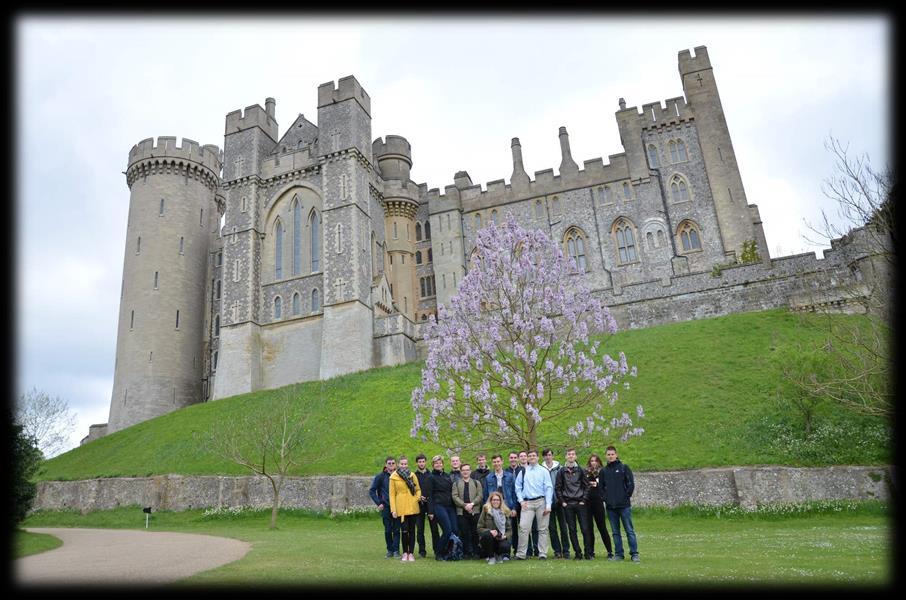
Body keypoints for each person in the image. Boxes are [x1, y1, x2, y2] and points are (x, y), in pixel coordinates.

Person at [601, 445, 639, 562]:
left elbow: (630, 485)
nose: (611, 456)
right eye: (608, 454)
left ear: (616, 455)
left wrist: (625, 497)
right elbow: (601, 488)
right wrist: (606, 499)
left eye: (612, 454)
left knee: (629, 531)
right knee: (615, 533)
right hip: (611, 507)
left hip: (624, 506)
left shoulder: (624, 468)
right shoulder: (603, 471)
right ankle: (618, 554)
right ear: (606, 456)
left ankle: (634, 554)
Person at [513, 449, 553, 560]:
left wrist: (548, 505)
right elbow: (518, 488)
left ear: (538, 457)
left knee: (543, 529)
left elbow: (548, 488)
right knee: (523, 528)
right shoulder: (523, 472)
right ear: (527, 458)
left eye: (533, 455)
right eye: (529, 456)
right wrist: (521, 501)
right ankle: (521, 554)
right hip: (527, 503)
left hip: (541, 502)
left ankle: (542, 553)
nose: (531, 457)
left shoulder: (544, 471)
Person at [556, 448, 592, 560]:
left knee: (585, 529)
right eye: (568, 454)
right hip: (568, 505)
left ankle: (587, 553)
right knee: (572, 530)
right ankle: (578, 553)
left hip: (580, 504)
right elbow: (558, 488)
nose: (571, 456)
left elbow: (587, 486)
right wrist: (563, 502)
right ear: (566, 457)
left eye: (573, 454)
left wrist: (584, 500)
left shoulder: (581, 470)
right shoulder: (561, 471)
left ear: (575, 456)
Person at [389, 455, 422, 562]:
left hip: (412, 506)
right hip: (401, 507)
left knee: (412, 530)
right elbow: (392, 494)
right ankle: (404, 553)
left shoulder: (412, 475)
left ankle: (411, 553)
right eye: (402, 464)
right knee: (404, 531)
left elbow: (418, 489)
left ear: (407, 464)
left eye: (405, 464)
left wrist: (416, 498)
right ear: (398, 464)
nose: (404, 466)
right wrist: (393, 509)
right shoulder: (393, 477)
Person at [427, 455, 459, 560]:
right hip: (438, 506)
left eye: (440, 463)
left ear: (443, 464)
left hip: (450, 507)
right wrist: (430, 511)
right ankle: (439, 552)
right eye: (436, 463)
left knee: (455, 529)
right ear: (433, 465)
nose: (438, 464)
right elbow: (430, 496)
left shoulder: (447, 476)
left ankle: (450, 552)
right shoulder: (431, 477)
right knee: (447, 530)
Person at [369, 456, 401, 558]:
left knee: (396, 529)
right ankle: (389, 550)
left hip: (397, 506)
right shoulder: (380, 477)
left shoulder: (400, 475)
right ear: (385, 465)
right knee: (388, 529)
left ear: (396, 465)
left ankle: (396, 550)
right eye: (389, 463)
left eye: (393, 463)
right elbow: (372, 490)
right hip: (386, 506)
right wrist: (379, 503)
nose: (391, 465)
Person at [584, 453, 614, 559]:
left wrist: (598, 484)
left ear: (599, 462)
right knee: (589, 528)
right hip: (587, 503)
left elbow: (607, 486)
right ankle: (591, 552)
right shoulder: (585, 472)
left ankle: (610, 551)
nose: (593, 463)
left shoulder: (602, 472)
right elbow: (583, 485)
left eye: (595, 461)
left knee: (602, 527)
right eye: (592, 461)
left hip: (598, 502)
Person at [452, 463, 483, 559]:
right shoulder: (456, 483)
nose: (465, 472)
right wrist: (464, 505)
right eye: (463, 470)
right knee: (464, 533)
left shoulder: (476, 483)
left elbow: (480, 495)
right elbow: (454, 496)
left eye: (467, 470)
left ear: (470, 471)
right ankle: (466, 553)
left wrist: (472, 504)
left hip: (475, 511)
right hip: (461, 511)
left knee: (475, 532)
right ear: (461, 472)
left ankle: (476, 552)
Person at [541, 448, 568, 559]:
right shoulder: (540, 469)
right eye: (546, 455)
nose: (548, 457)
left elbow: (565, 484)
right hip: (548, 503)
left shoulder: (560, 468)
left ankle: (566, 550)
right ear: (543, 457)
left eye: (549, 455)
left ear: (552, 456)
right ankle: (557, 550)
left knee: (563, 527)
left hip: (560, 501)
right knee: (552, 528)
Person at [476, 491, 514, 564]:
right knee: (487, 535)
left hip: (500, 538)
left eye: (497, 500)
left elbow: (510, 530)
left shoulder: (505, 511)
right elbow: (479, 527)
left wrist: (505, 536)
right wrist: (489, 531)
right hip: (489, 538)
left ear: (500, 501)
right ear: (490, 501)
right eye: (494, 500)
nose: (496, 502)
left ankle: (498, 555)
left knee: (505, 546)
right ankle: (491, 557)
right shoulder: (486, 510)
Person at [413, 453, 438, 558]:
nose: (421, 463)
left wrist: (428, 497)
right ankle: (422, 551)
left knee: (434, 528)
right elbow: (412, 490)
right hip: (419, 504)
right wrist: (419, 497)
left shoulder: (431, 474)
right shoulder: (413, 475)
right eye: (419, 462)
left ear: (426, 462)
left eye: (423, 461)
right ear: (416, 463)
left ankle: (437, 549)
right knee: (420, 529)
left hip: (430, 504)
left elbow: (434, 490)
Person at [518, 450, 540, 557]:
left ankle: (537, 550)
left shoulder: (535, 470)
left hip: (536, 501)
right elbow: (517, 487)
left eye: (524, 456)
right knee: (524, 528)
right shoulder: (520, 471)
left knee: (536, 527)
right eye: (520, 456)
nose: (523, 458)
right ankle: (527, 551)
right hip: (523, 502)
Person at [505, 451, 523, 557]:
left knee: (523, 528)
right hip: (510, 504)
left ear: (517, 459)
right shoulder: (506, 472)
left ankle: (525, 550)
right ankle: (513, 549)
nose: (513, 459)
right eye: (511, 457)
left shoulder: (523, 470)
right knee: (511, 528)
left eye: (515, 457)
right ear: (508, 459)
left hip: (522, 503)